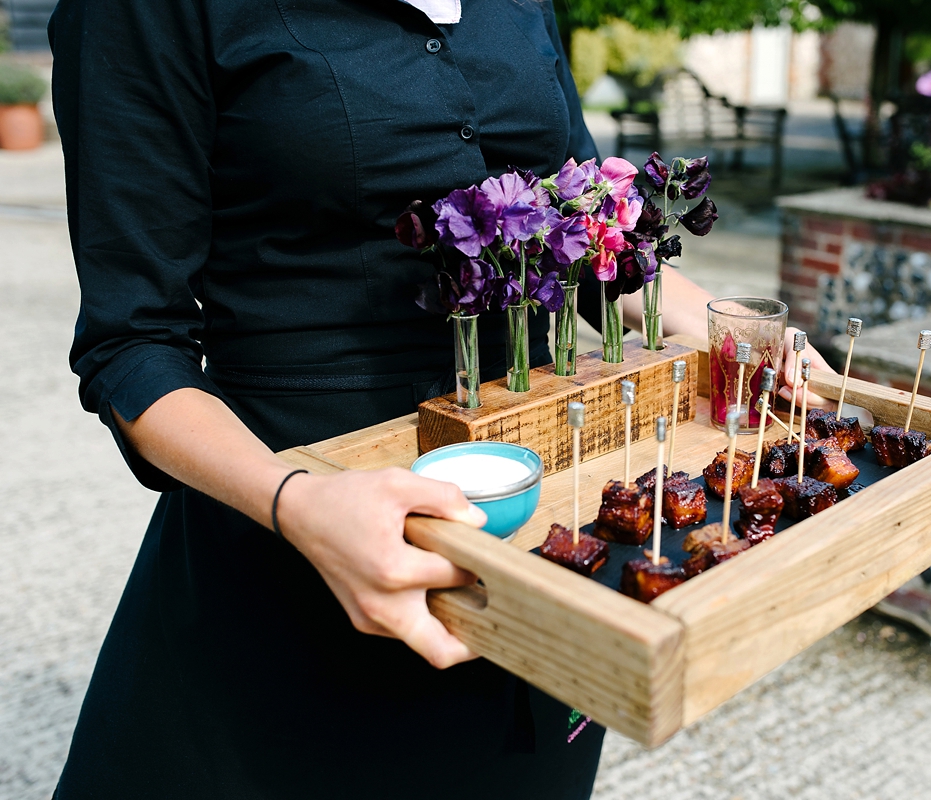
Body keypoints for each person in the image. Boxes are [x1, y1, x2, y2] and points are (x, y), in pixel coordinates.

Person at [49, 0, 829, 795]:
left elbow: (592, 227)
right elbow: (133, 346)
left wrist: (735, 332)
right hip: (295, 548)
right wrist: (297, 505)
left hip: (535, 529)